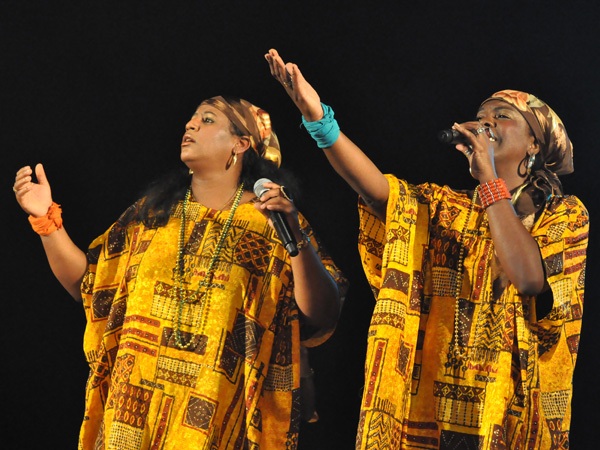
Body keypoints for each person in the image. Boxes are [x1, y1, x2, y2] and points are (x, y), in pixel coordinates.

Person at [265, 49, 588, 449]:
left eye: (502, 116)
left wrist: (488, 179)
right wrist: (318, 118)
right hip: (428, 415)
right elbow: (376, 191)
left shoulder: (564, 215)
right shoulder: (444, 207)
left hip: (507, 417)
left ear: (535, 143)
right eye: (482, 116)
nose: (486, 122)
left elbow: (528, 279)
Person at [13, 95, 347, 450]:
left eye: (207, 120)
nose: (190, 125)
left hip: (219, 423)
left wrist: (294, 235)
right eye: (191, 120)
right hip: (131, 421)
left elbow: (322, 314)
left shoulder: (270, 221)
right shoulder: (151, 216)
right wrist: (46, 219)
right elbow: (91, 285)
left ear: (241, 143)